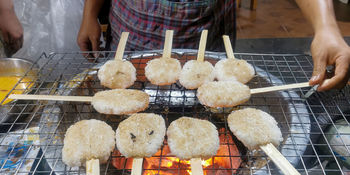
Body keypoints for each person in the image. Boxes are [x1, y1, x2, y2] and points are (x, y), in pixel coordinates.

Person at [77, 0, 350, 92]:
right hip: (134, 32)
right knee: (126, 96)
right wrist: (90, 14)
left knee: (208, 104)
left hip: (206, 35)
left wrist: (326, 26)